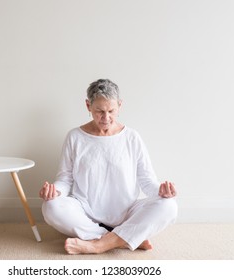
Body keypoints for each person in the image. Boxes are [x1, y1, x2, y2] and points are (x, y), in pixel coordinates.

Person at [39, 79, 177, 255]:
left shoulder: (132, 137)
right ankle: (124, 239)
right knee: (50, 207)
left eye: (111, 111)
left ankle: (98, 244)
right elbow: (65, 180)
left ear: (120, 105)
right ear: (88, 106)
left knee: (169, 206)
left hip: (127, 213)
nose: (106, 118)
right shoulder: (75, 137)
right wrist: (55, 191)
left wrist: (161, 191)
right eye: (99, 111)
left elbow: (146, 181)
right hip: (85, 213)